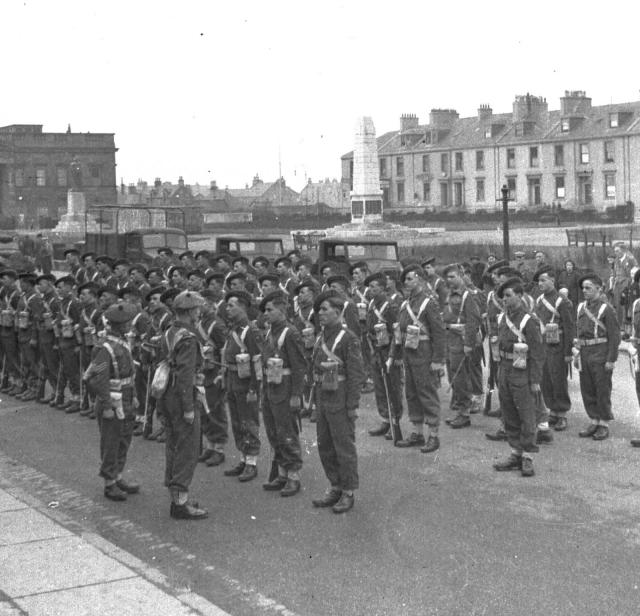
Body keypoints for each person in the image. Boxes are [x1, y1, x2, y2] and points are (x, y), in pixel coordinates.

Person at [311, 291, 365, 513]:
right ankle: (335, 486)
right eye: (319, 310)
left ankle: (348, 491)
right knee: (325, 445)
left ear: (338, 311)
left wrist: (352, 405)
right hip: (323, 398)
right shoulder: (320, 336)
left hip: (340, 399)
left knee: (343, 447)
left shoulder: (348, 338)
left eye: (324, 309)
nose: (320, 313)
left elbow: (356, 375)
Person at [157, 290, 208, 520]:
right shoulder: (188, 338)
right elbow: (186, 376)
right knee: (188, 448)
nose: (199, 313)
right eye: (197, 309)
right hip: (182, 397)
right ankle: (180, 503)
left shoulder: (169, 332)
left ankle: (176, 496)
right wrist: (188, 408)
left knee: (173, 444)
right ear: (189, 312)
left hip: (167, 394)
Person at [83, 302, 140, 502]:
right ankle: (109, 484)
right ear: (119, 325)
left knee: (124, 439)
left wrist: (133, 396)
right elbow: (97, 379)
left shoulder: (122, 343)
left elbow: (129, 374)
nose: (130, 326)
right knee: (111, 442)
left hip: (125, 397)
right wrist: (106, 406)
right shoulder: (105, 348)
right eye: (127, 323)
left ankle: (118, 476)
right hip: (112, 401)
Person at [493, 277, 545, 477]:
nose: (504, 300)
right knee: (509, 413)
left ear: (520, 296)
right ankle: (515, 453)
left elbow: (538, 353)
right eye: (503, 296)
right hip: (505, 369)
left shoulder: (528, 320)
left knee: (527, 415)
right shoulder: (501, 318)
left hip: (522, 372)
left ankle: (528, 457)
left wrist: (535, 380)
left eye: (508, 295)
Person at [259, 291, 307, 496]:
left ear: (282, 310)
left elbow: (299, 366)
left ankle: (293, 477)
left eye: (270, 310)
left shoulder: (291, 332)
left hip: (285, 389)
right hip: (271, 386)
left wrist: (296, 395)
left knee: (287, 432)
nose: (265, 314)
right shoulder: (271, 331)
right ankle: (281, 473)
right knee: (273, 431)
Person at [394, 265, 446, 452]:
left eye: (410, 278)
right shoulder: (404, 304)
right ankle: (417, 432)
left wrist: (438, 360)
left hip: (424, 354)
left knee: (427, 393)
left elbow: (439, 333)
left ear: (420, 279)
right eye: (405, 280)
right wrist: (397, 354)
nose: (407, 283)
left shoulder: (428, 302)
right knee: (412, 393)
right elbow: (399, 331)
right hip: (409, 353)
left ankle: (433, 435)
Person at [222, 289, 263, 482]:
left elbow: (257, 362)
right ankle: (243, 458)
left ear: (243, 307)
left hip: (246, 383)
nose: (227, 308)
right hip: (232, 379)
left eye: (231, 305)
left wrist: (254, 388)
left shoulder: (251, 331)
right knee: (237, 421)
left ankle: (252, 462)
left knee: (249, 421)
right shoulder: (234, 329)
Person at [574, 272, 620, 441]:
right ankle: (593, 420)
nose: (585, 291)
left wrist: (611, 359)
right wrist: (577, 352)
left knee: (602, 389)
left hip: (600, 352)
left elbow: (615, 337)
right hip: (585, 352)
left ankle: (604, 424)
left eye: (589, 288)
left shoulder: (606, 309)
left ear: (599, 289)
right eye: (583, 288)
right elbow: (578, 330)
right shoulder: (580, 307)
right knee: (587, 388)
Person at [534, 266, 575, 434]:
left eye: (543, 280)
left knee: (558, 379)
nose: (540, 283)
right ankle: (552, 411)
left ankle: (562, 413)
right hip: (543, 346)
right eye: (539, 281)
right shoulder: (538, 300)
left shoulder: (561, 301)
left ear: (552, 280)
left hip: (557, 346)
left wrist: (567, 352)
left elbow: (569, 327)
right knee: (545, 380)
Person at [364, 272, 403, 442]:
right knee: (380, 387)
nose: (371, 290)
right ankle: (385, 420)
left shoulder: (390, 306)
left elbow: (397, 333)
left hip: (388, 350)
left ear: (382, 287)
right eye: (369, 287)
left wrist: (395, 355)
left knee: (392, 387)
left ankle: (395, 421)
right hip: (375, 349)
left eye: (374, 287)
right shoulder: (372, 304)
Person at [441, 263, 482, 428]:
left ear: (461, 275)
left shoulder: (468, 295)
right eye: (447, 277)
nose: (449, 280)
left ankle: (464, 413)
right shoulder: (448, 295)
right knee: (453, 376)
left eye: (452, 276)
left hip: (461, 340)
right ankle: (460, 410)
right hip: (449, 338)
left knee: (461, 377)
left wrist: (468, 344)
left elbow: (473, 320)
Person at [612, 242, 637, 330]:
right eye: (615, 251)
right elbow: (614, 273)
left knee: (626, 306)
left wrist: (629, 283)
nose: (616, 253)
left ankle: (627, 328)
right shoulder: (616, 260)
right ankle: (620, 326)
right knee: (618, 305)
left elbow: (636, 273)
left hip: (627, 285)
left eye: (617, 251)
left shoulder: (630, 259)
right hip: (618, 285)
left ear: (622, 250)